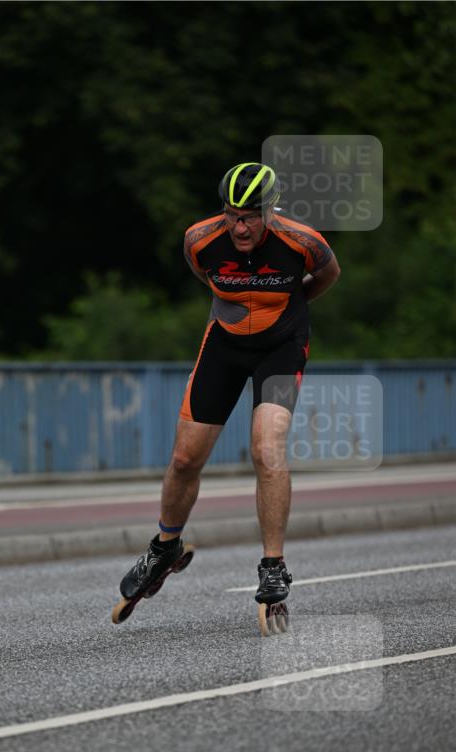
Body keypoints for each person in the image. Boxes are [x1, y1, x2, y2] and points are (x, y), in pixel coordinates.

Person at [119, 161, 340, 609]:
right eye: (231, 214)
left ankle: (273, 565)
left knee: (266, 448)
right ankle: (164, 548)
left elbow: (328, 276)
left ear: (271, 210)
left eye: (250, 215)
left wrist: (291, 304)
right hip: (225, 343)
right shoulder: (200, 239)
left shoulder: (303, 242)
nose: (239, 226)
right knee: (184, 458)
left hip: (281, 347)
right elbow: (205, 275)